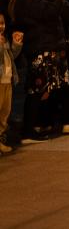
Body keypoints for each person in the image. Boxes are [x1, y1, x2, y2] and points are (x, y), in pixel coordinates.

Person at [13, 0, 69, 140]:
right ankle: (28, 130)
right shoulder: (27, 1)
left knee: (53, 88)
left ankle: (45, 124)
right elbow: (52, 12)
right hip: (41, 50)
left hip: (49, 48)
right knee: (37, 90)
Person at [0, 12, 23, 153]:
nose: (1, 26)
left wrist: (16, 44)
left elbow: (11, 57)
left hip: (7, 80)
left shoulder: (4, 39)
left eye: (2, 23)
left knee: (4, 113)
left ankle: (1, 139)